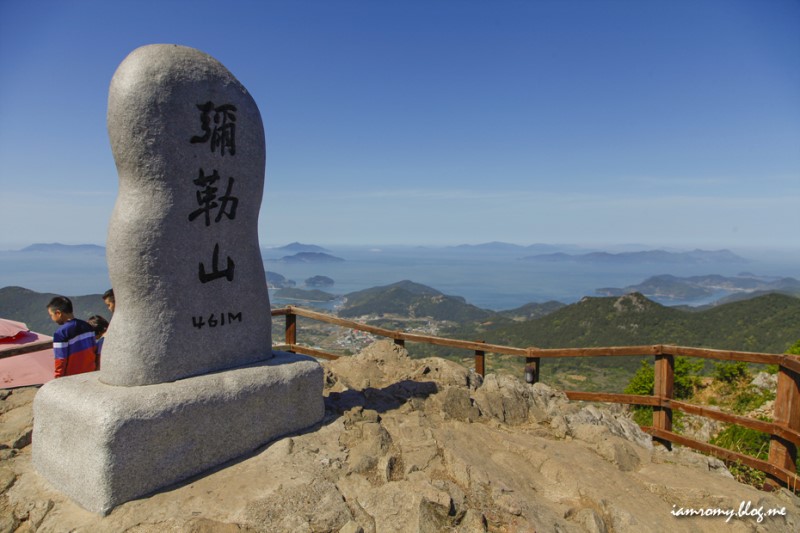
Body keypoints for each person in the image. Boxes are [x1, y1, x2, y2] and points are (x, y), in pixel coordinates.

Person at [46, 296, 97, 378]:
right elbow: (94, 349)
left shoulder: (60, 333)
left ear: (58, 313)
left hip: (72, 378)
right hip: (90, 374)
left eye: (51, 315)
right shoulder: (87, 326)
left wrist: (58, 379)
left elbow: (60, 360)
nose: (51, 318)